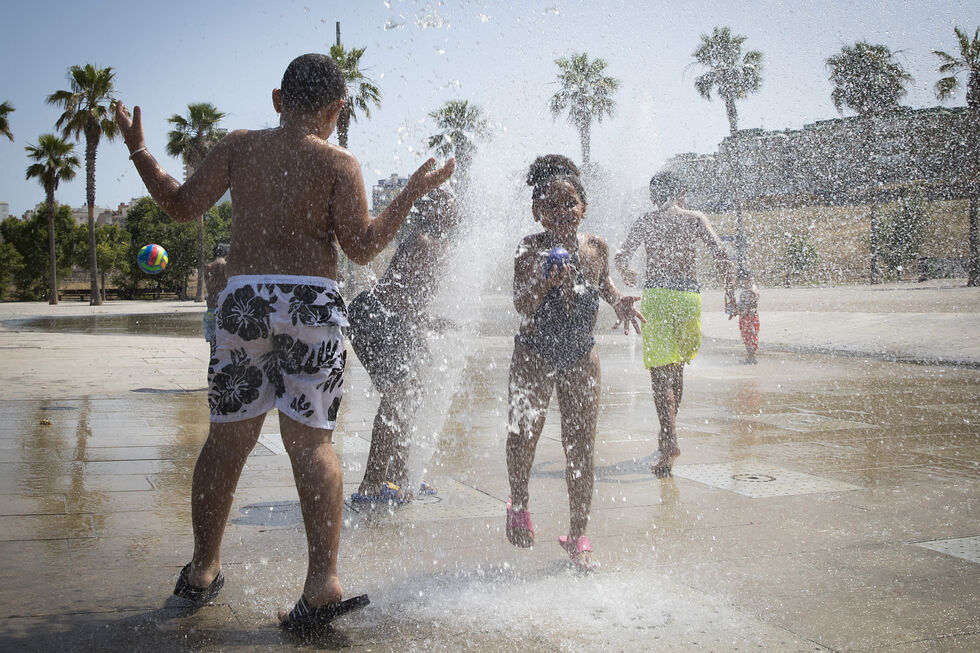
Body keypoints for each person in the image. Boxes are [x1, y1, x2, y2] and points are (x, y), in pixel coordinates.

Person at [114, 53, 454, 635]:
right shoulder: (340, 162)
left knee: (226, 444)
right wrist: (413, 193)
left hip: (246, 301)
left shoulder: (239, 147)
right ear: (336, 109)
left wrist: (140, 149)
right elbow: (365, 246)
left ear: (277, 98)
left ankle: (202, 570)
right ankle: (322, 584)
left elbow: (178, 205)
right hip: (314, 304)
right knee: (313, 447)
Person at [505, 155, 644, 571]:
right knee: (524, 437)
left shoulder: (596, 246)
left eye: (570, 204)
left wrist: (618, 301)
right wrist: (545, 280)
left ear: (584, 207)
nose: (562, 212)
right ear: (537, 212)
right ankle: (519, 503)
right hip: (533, 352)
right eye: (551, 206)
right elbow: (521, 304)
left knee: (581, 446)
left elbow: (601, 282)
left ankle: (579, 533)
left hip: (581, 354)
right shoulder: (529, 248)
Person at [615, 171, 735, 478]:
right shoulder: (695, 218)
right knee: (677, 369)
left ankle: (669, 438)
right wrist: (729, 292)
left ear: (654, 196)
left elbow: (620, 256)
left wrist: (627, 273)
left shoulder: (645, 221)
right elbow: (721, 252)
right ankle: (667, 433)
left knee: (660, 373)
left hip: (657, 297)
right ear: (681, 193)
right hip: (687, 298)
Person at [347, 188, 461, 504]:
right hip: (375, 318)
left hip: (394, 321)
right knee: (398, 396)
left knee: (411, 394)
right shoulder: (423, 242)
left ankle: (398, 478)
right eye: (447, 204)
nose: (455, 209)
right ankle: (371, 485)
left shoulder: (443, 245)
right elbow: (396, 296)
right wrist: (425, 322)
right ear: (432, 210)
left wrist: (426, 324)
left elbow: (411, 300)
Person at [203, 242, 229, 346]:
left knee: (212, 341)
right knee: (225, 341)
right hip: (225, 308)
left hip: (211, 307)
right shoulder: (227, 267)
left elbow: (208, 285)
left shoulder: (208, 267)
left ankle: (213, 358)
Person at [733, 271, 760, 364]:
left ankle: (752, 357)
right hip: (746, 317)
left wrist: (739, 311)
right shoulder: (748, 290)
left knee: (751, 337)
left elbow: (750, 305)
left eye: (743, 281)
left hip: (750, 318)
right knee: (747, 338)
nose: (741, 283)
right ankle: (750, 357)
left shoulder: (751, 290)